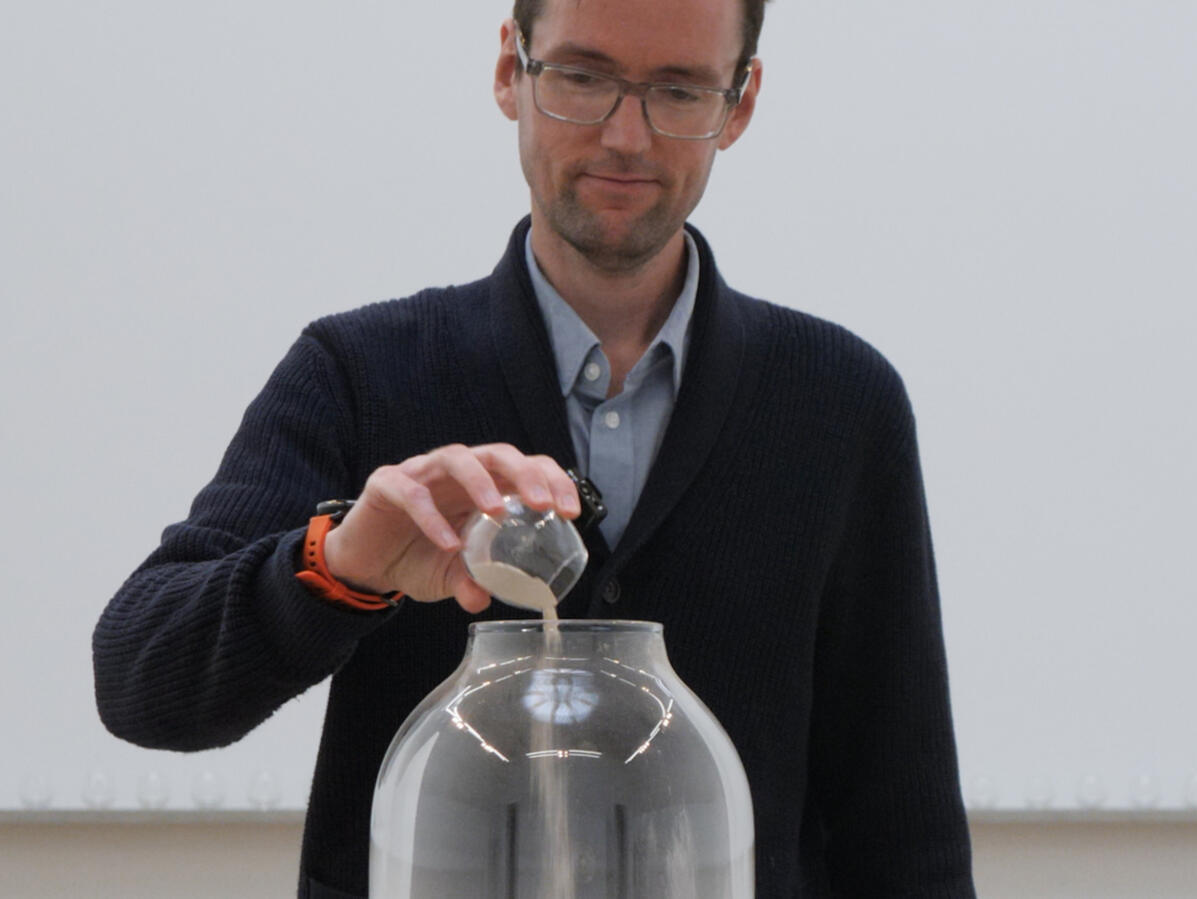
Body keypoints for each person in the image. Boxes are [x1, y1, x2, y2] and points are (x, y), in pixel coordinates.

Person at [93, 0, 975, 895]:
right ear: (511, 71)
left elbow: (906, 834)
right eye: (583, 77)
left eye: (677, 89)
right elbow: (139, 681)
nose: (626, 136)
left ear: (738, 103)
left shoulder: (839, 402)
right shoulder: (359, 372)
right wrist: (341, 565)